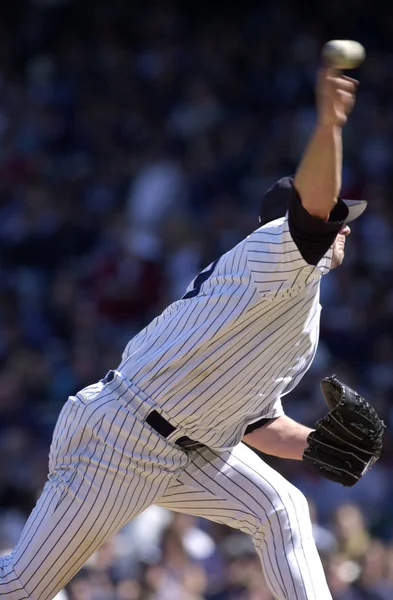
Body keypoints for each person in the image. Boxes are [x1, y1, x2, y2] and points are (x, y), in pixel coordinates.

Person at [0, 68, 365, 600]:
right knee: (18, 588)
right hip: (120, 441)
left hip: (186, 446)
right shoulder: (276, 256)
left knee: (281, 508)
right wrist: (329, 124)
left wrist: (315, 445)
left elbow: (255, 421)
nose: (346, 226)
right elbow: (310, 211)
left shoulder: (297, 305)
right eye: (337, 216)